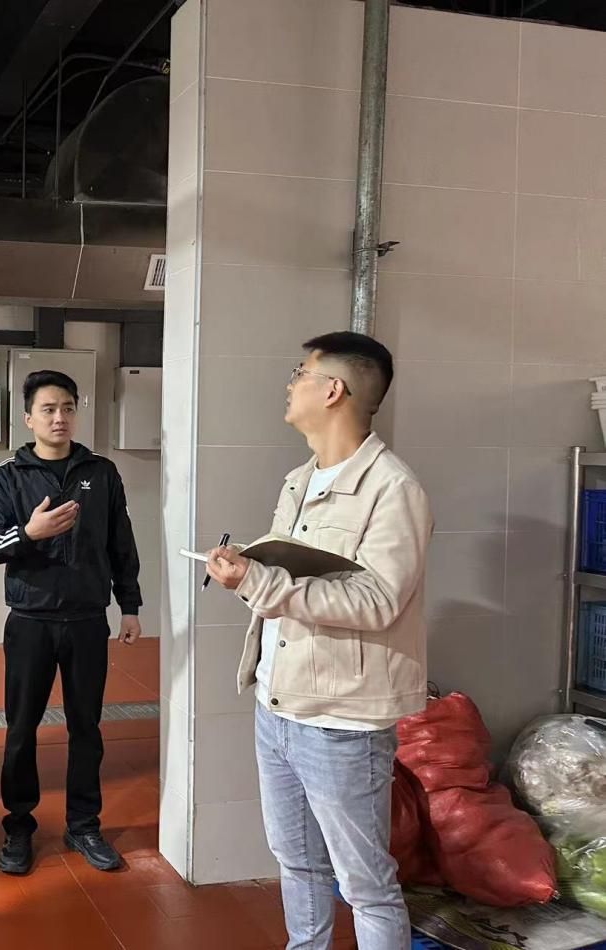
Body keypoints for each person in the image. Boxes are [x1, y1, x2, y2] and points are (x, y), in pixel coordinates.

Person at [205, 332, 432, 950]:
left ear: (333, 390)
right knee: (297, 862)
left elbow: (378, 601)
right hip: (278, 701)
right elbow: (296, 576)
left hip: (342, 719)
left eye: (299, 373)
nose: (290, 384)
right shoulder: (299, 479)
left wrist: (259, 581)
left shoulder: (394, 488)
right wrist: (249, 569)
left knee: (365, 884)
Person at [0, 369, 142, 876]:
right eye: (48, 409)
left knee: (86, 728)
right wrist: (29, 532)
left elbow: (121, 542)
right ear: (28, 418)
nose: (59, 417)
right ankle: (18, 826)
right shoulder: (9, 475)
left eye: (67, 407)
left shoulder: (102, 472)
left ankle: (83, 825)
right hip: (30, 621)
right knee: (21, 728)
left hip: (88, 620)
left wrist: (130, 605)